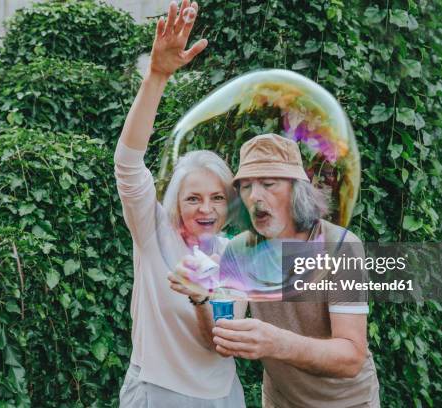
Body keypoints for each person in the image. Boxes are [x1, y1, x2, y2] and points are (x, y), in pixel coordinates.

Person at [175, 134, 380, 407]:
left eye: (269, 184)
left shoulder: (342, 247)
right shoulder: (240, 251)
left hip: (348, 403)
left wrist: (277, 343)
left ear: (298, 190)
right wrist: (200, 299)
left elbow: (352, 357)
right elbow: (222, 339)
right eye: (246, 186)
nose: (255, 197)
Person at [114, 1, 245, 406]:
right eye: (193, 198)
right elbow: (128, 163)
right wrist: (156, 75)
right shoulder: (152, 231)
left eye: (217, 198)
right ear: (176, 202)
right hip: (157, 393)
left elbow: (222, 344)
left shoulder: (236, 256)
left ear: (229, 205)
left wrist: (201, 297)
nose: (206, 209)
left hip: (223, 397)